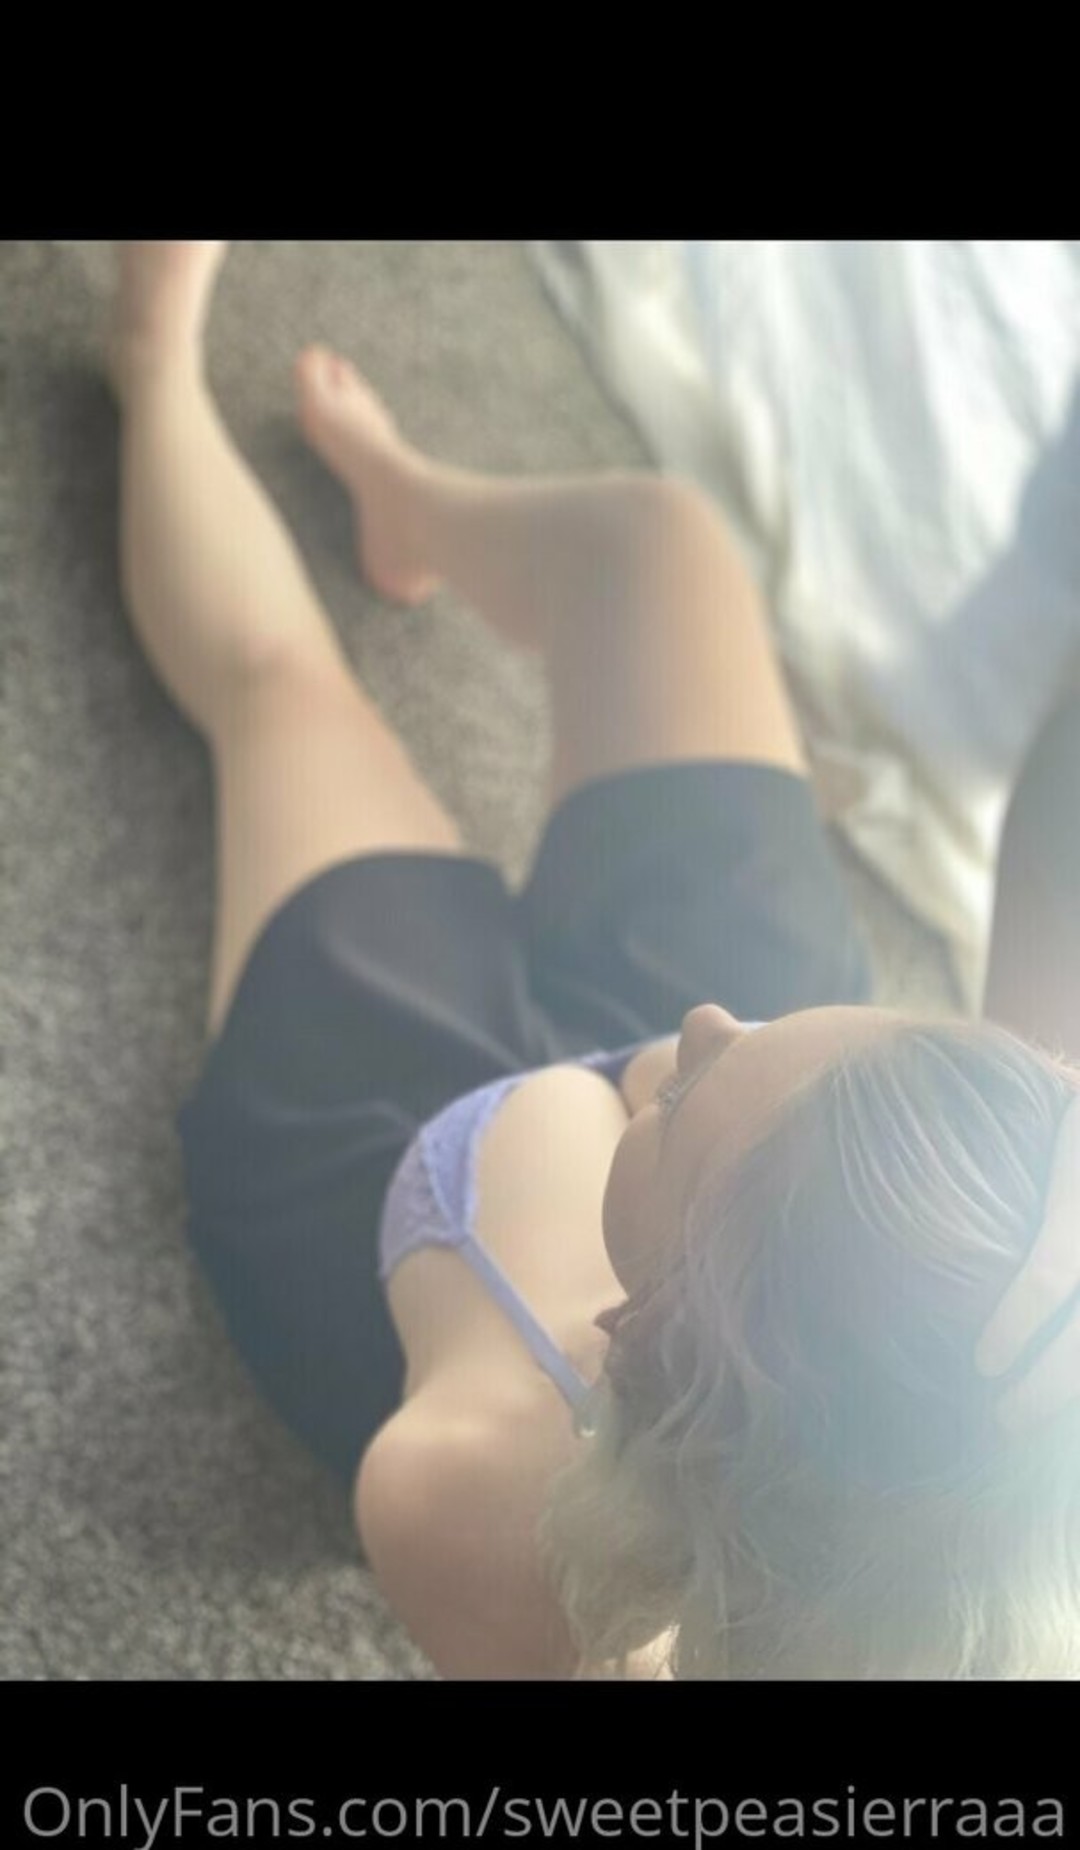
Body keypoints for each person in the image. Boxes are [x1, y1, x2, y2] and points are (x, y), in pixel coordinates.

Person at [111, 241, 1080, 1680]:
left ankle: (149, 366)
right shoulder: (973, 1299)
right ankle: (407, 505)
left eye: (698, 1079)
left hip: (405, 1208)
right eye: (858, 1027)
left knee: (285, 690)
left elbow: (596, 1118)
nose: (711, 1018)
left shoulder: (472, 1495)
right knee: (659, 543)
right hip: (752, 1196)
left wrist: (678, 1111)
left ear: (653, 1341)